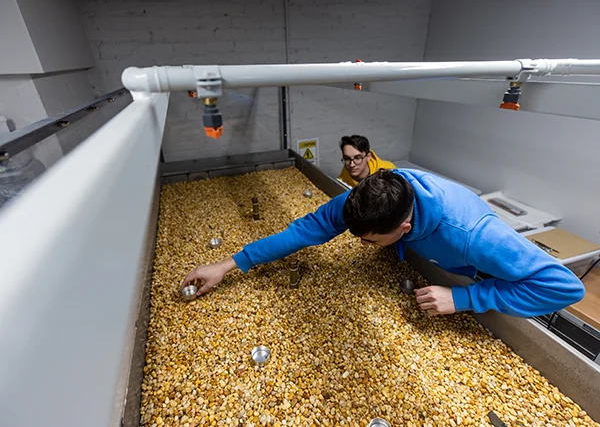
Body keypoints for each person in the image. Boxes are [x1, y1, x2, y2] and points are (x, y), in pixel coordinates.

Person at [180, 169, 585, 318]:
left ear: (405, 225)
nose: (361, 244)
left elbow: (566, 288)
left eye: (371, 240)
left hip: (474, 272)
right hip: (423, 250)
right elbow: (302, 231)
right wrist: (230, 264)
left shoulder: (473, 235)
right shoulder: (371, 196)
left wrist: (464, 299)